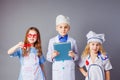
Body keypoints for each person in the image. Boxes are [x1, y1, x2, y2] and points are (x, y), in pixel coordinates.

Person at [46, 15, 78, 80]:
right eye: (60, 27)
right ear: (57, 28)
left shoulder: (72, 41)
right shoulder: (52, 41)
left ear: (69, 28)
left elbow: (77, 56)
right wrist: (52, 55)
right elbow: (48, 57)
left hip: (69, 69)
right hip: (57, 69)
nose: (63, 29)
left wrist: (73, 55)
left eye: (65, 27)